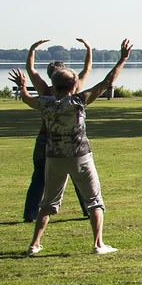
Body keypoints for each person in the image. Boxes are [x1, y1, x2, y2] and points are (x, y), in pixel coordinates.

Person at [8, 38, 132, 257]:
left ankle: (34, 244)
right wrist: (122, 59)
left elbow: (27, 99)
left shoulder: (45, 102)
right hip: (80, 156)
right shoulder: (79, 101)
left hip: (54, 157)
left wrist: (21, 85)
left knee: (48, 202)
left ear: (54, 85)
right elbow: (106, 82)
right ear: (74, 86)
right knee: (94, 201)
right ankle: (98, 244)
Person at [23, 39, 92, 222]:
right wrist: (88, 49)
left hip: (45, 140)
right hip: (73, 144)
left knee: (38, 179)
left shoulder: (44, 91)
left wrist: (32, 49)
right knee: (82, 179)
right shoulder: (75, 92)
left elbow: (31, 70)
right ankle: (89, 210)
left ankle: (30, 214)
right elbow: (87, 70)